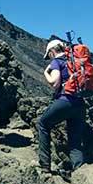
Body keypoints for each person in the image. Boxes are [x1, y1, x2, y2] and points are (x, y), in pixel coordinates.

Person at [38, 39, 86, 173]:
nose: (49, 58)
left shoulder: (56, 62)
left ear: (53, 51)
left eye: (49, 55)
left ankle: (45, 166)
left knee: (43, 124)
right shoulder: (74, 61)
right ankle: (80, 173)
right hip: (80, 104)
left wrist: (46, 73)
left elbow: (55, 83)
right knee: (75, 140)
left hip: (64, 101)